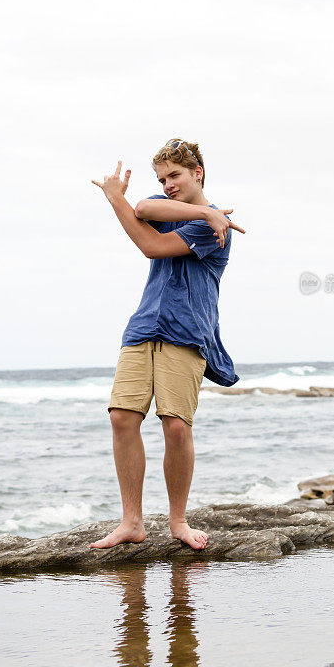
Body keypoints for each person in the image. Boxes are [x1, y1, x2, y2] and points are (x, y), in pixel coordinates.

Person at [89, 138, 245, 550]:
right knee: (122, 418)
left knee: (176, 425)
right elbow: (143, 209)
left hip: (186, 330)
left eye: (175, 175)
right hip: (142, 327)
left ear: (198, 173)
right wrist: (202, 208)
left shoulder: (214, 229)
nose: (168, 184)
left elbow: (151, 245)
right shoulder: (194, 214)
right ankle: (132, 522)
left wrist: (210, 214)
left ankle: (178, 522)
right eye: (162, 178)